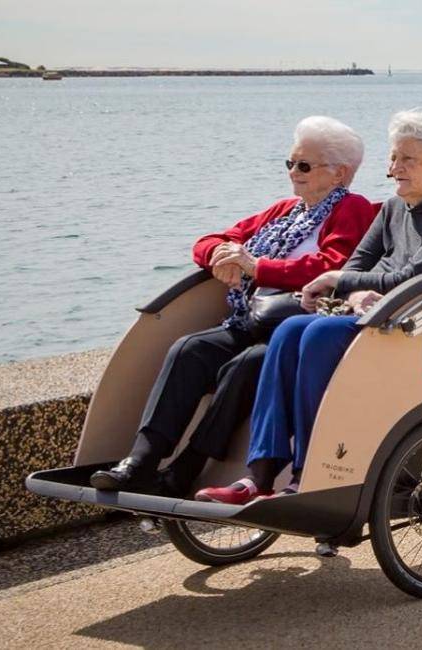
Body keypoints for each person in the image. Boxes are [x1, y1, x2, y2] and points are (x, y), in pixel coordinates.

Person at [195, 111, 422, 505]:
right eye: (393, 157)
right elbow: (356, 265)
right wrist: (353, 291)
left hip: (413, 324)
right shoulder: (393, 207)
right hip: (376, 312)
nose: (394, 168)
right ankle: (261, 472)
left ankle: (307, 474)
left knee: (317, 333)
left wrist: (345, 284)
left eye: (408, 159)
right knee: (287, 332)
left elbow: (411, 276)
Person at [89, 116, 375, 495]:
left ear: (339, 173)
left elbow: (332, 265)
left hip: (295, 328)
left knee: (244, 367)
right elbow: (209, 241)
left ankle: (187, 468)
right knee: (190, 349)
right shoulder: (286, 211)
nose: (294, 172)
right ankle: (142, 458)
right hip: (249, 318)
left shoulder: (352, 209)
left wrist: (258, 266)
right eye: (290, 163)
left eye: (304, 165)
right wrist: (222, 256)